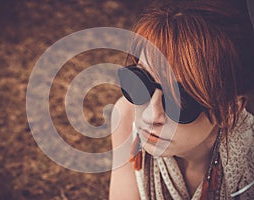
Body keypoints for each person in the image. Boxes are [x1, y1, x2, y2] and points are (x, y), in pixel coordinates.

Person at [109, 0, 254, 199]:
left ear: (230, 110)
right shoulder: (126, 117)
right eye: (140, 82)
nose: (151, 115)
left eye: (179, 100)